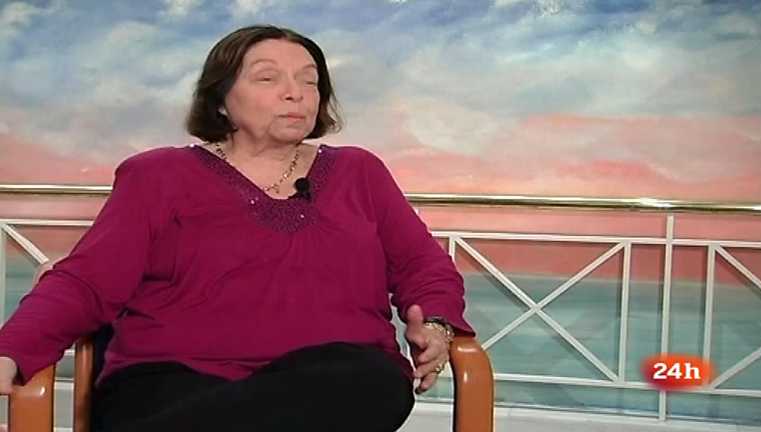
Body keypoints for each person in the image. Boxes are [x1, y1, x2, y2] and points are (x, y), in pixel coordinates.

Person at [0, 25, 473, 432]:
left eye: (310, 81)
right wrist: (12, 350)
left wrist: (435, 322)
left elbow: (424, 265)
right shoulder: (156, 175)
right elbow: (87, 281)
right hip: (173, 380)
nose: (295, 93)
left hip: (334, 383)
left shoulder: (360, 172)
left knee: (372, 379)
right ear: (220, 99)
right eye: (268, 78)